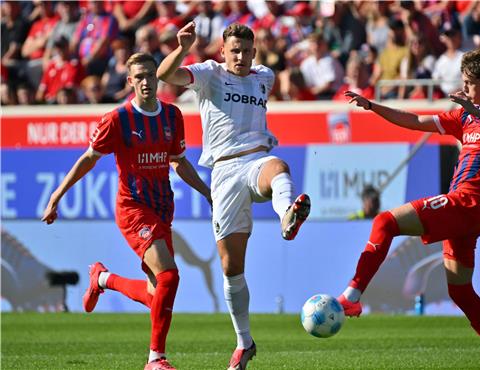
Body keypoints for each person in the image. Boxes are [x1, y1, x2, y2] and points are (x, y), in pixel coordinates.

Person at [339, 49, 480, 370]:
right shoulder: (463, 117)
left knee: (385, 221)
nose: (464, 88)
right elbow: (414, 121)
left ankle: (352, 297)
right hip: (468, 212)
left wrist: (477, 112)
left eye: (469, 83)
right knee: (461, 292)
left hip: (467, 202)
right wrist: (372, 106)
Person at [42, 52, 211, 370]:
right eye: (139, 76)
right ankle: (155, 359)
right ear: (130, 81)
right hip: (133, 208)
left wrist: (207, 192)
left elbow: (179, 161)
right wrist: (57, 195)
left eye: (150, 74)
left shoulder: (173, 116)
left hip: (162, 207)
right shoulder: (117, 120)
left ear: (157, 77)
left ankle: (102, 279)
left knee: (155, 295)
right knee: (169, 277)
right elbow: (89, 159)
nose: (146, 81)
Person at [157, 22, 311, 370]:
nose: (240, 56)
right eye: (234, 51)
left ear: (254, 53)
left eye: (246, 51)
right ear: (222, 52)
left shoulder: (264, 77)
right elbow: (166, 75)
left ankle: (287, 214)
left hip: (256, 159)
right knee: (231, 268)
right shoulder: (209, 74)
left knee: (279, 168)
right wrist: (182, 47)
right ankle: (244, 343)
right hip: (224, 172)